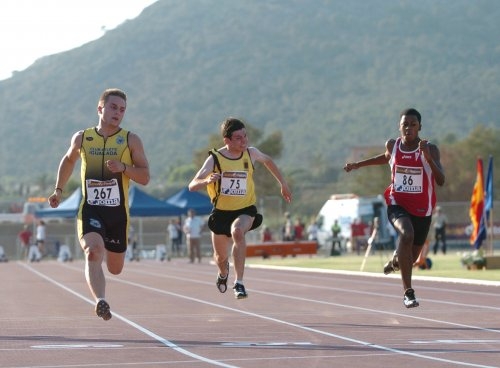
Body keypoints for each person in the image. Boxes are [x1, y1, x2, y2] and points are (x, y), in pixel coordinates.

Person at [47, 88, 150, 320]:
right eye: (113, 107)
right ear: (100, 108)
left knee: (115, 268)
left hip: (118, 214)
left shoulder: (130, 140)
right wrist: (58, 190)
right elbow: (69, 160)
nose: (118, 113)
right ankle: (101, 300)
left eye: (122, 110)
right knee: (93, 252)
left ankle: (104, 284)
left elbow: (145, 176)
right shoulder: (83, 138)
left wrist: (124, 168)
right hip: (91, 209)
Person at [344, 108, 445, 308]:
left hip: (423, 210)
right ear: (399, 127)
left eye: (412, 125)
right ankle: (408, 293)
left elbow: (441, 180)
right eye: (404, 124)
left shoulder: (430, 149)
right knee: (406, 234)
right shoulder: (394, 145)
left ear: (420, 127)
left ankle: (396, 262)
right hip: (396, 202)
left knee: (411, 257)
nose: (408, 128)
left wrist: (428, 158)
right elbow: (385, 157)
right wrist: (358, 165)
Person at [188, 117, 292, 299]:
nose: (244, 141)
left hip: (245, 209)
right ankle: (223, 273)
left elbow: (268, 161)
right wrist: (206, 181)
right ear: (226, 140)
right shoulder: (215, 158)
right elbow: (192, 185)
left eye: (245, 136)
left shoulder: (250, 153)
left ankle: (239, 283)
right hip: (221, 213)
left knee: (237, 232)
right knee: (220, 258)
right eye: (238, 138)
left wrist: (282, 183)